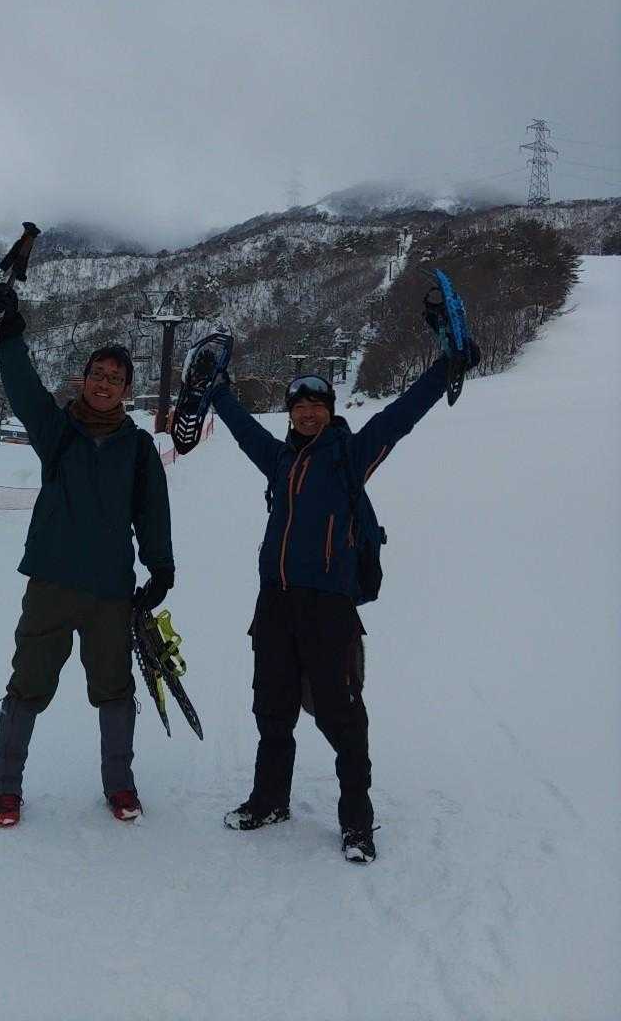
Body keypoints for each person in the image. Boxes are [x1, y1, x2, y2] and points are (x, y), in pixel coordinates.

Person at [204, 314, 479, 863]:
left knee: (342, 718)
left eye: (317, 405)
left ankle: (357, 823)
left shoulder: (350, 456)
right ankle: (269, 800)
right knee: (272, 709)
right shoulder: (279, 460)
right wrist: (219, 393)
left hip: (328, 607)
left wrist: (447, 366)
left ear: (330, 411)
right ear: (290, 413)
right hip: (275, 602)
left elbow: (401, 416)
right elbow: (243, 430)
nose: (308, 413)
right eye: (299, 406)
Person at [0, 283, 175, 828]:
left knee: (114, 690)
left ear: (126, 390)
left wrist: (161, 567)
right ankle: (5, 788)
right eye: (98, 375)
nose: (104, 384)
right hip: (51, 583)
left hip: (110, 591)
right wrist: (10, 334)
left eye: (115, 378)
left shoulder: (138, 448)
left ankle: (120, 784)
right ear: (83, 379)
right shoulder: (58, 431)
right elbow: (24, 389)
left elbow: (152, 512)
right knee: (27, 685)